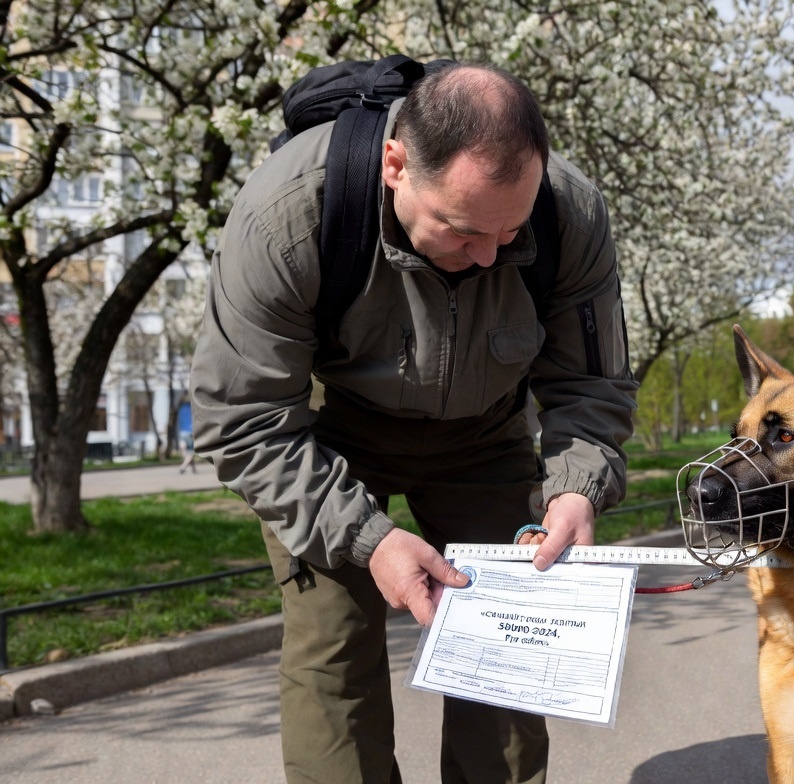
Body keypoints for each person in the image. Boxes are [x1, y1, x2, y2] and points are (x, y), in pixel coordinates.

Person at [190, 61, 637, 784]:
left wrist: (576, 487)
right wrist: (368, 539)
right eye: (462, 230)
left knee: (504, 653)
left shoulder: (569, 214)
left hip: (486, 436)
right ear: (396, 167)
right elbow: (244, 420)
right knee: (333, 654)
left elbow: (591, 381)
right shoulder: (287, 215)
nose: (489, 256)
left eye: (510, 232)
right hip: (332, 441)